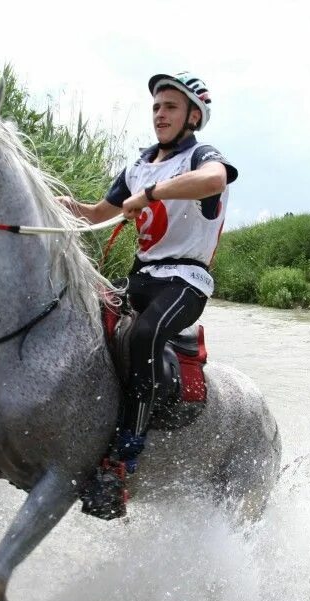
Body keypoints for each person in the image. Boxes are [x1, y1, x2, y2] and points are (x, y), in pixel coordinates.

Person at [61, 71, 236, 478]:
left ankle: (129, 448)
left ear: (194, 116)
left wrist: (152, 194)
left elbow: (215, 179)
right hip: (140, 277)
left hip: (185, 282)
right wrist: (66, 205)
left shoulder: (201, 156)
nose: (160, 114)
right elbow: (96, 214)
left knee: (144, 335)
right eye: (156, 106)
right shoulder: (138, 166)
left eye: (171, 106)